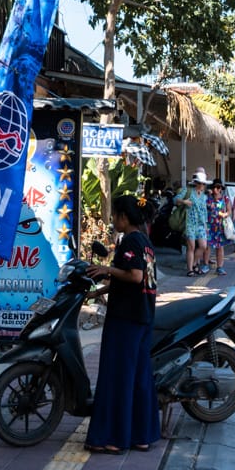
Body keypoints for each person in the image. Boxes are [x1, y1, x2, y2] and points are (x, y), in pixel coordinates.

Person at [84, 195, 159, 455]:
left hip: (126, 319)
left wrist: (105, 270)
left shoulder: (130, 240)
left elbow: (134, 275)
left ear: (124, 218)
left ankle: (113, 439)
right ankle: (141, 436)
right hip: (142, 316)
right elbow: (131, 277)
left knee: (117, 377)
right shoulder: (145, 241)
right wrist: (98, 292)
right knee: (138, 377)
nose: (112, 219)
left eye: (114, 215)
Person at [175, 172, 209, 276]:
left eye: (204, 184)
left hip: (201, 224)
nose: (203, 186)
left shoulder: (204, 196)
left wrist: (206, 224)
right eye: (201, 183)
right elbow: (175, 200)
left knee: (203, 246)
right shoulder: (188, 191)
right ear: (196, 183)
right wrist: (184, 202)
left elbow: (204, 211)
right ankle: (190, 269)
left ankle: (194, 264)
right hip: (190, 223)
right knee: (191, 247)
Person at [205, 181, 230, 275]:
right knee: (207, 246)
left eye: (218, 188)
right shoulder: (208, 198)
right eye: (214, 187)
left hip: (220, 226)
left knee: (220, 247)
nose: (216, 189)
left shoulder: (225, 198)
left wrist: (224, 214)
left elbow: (229, 211)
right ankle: (205, 265)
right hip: (209, 225)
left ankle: (220, 267)